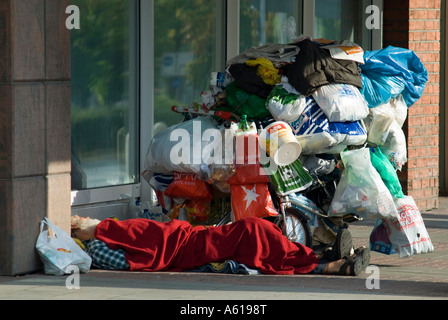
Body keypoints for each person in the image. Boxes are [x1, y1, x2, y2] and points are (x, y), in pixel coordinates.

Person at [71, 215, 370, 276]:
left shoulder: (113, 233)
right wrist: (95, 227)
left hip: (195, 237)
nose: (82, 216)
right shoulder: (102, 242)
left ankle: (324, 256)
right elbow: (152, 244)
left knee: (262, 237)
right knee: (260, 241)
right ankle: (331, 263)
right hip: (195, 245)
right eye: (81, 218)